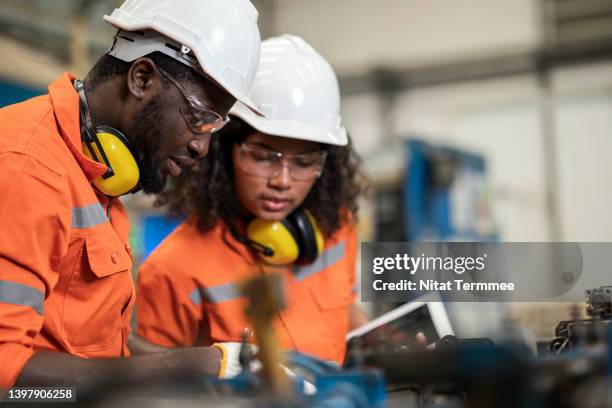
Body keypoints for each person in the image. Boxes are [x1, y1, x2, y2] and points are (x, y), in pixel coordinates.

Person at [0, 0, 262, 391]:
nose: (202, 148)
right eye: (198, 118)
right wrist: (188, 367)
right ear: (141, 78)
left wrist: (210, 361)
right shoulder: (28, 167)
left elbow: (96, 345)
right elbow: (7, 380)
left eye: (214, 128)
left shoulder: (100, 173)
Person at [132, 35, 369, 373]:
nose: (283, 181)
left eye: (303, 164)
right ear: (223, 151)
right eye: (263, 158)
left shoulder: (337, 229)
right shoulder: (172, 270)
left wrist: (385, 343)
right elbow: (160, 381)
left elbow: (343, 312)